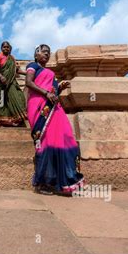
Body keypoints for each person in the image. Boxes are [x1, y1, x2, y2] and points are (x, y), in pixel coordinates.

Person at [25, 44, 84, 196]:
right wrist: (46, 93)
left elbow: (53, 92)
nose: (46, 54)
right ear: (36, 54)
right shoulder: (32, 66)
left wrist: (60, 88)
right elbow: (29, 83)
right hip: (39, 107)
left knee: (65, 138)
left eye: (48, 53)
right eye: (43, 52)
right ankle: (43, 183)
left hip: (53, 108)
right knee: (45, 143)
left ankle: (66, 180)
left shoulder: (51, 73)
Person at [0, 41, 27, 126]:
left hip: (11, 82)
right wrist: (1, 77)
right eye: (4, 47)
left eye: (7, 47)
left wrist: (27, 73)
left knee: (19, 96)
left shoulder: (12, 58)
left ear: (10, 48)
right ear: (1, 48)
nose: (6, 48)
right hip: (2, 82)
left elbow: (16, 70)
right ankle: (5, 120)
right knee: (2, 100)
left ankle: (17, 117)